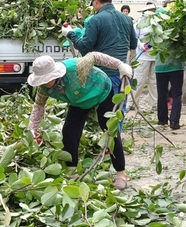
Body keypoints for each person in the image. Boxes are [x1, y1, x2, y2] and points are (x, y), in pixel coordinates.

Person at [27, 52, 133, 190]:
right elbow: (39, 106)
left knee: (109, 131)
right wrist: (33, 129)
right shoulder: (43, 89)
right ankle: (72, 170)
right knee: (69, 131)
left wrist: (120, 65)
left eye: (47, 79)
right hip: (79, 101)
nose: (45, 82)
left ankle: (121, 174)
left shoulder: (76, 68)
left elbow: (94, 56)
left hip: (101, 91)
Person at [62, 0, 137, 96]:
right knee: (119, 110)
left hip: (105, 76)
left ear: (95, 1)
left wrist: (70, 34)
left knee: (105, 111)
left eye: (92, 4)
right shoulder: (127, 19)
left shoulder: (95, 20)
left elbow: (85, 48)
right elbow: (133, 44)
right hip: (124, 74)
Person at [127, 2, 158, 111]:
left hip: (155, 56)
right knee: (139, 80)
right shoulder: (139, 23)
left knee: (154, 81)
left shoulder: (158, 22)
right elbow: (134, 38)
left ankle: (154, 104)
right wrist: (141, 45)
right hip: (143, 56)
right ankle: (132, 103)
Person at [155, 54, 185, 130]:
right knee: (177, 95)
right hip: (176, 66)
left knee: (161, 94)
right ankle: (174, 121)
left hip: (160, 66)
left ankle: (162, 119)